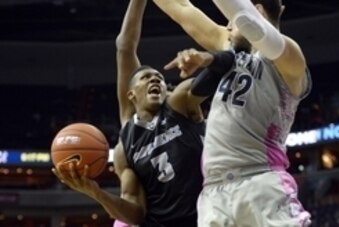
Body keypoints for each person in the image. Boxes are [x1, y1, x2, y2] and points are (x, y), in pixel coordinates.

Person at [52, 0, 235, 226]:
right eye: (146, 77)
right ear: (131, 95)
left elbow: (221, 70)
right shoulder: (125, 144)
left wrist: (208, 58)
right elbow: (135, 212)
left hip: (206, 218)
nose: (155, 79)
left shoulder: (179, 104)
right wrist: (94, 192)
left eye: (159, 77)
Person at [154, 0, 312, 226]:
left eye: (230, 21)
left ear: (256, 12)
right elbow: (181, 8)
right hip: (213, 193)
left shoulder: (289, 58)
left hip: (260, 182)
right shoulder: (230, 49)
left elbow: (247, 19)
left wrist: (242, 16)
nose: (226, 27)